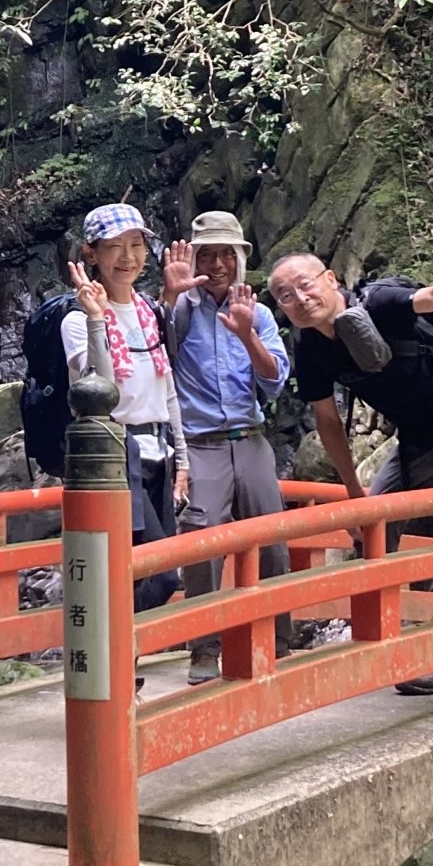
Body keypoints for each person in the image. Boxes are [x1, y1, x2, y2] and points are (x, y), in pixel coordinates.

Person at [267, 237, 433, 694]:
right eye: (285, 295)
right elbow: (328, 421)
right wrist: (354, 494)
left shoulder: (379, 303)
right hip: (417, 435)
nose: (299, 298)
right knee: (374, 525)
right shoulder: (310, 345)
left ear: (330, 279)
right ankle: (375, 641)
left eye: (305, 285)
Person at [159, 210, 292, 684]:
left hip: (250, 439)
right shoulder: (178, 309)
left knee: (272, 540)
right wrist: (168, 296)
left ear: (240, 258)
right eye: (207, 254)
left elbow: (274, 383)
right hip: (199, 444)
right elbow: (153, 357)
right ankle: (204, 648)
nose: (217, 264)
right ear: (194, 258)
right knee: (202, 542)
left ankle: (277, 639)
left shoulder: (258, 312)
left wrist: (247, 334)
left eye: (226, 254)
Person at [64, 204, 189, 608]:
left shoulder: (149, 311)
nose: (128, 257)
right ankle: (113, 643)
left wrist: (182, 460)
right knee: (157, 574)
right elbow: (97, 390)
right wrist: (96, 318)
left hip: (158, 454)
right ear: (91, 254)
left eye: (136, 245)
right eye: (115, 246)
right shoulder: (76, 320)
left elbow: (167, 390)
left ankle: (120, 644)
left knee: (147, 570)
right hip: (116, 458)